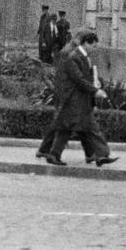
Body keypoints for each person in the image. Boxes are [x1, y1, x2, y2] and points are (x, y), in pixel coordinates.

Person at [40, 30, 116, 167]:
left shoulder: (82, 56)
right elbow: (79, 79)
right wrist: (95, 91)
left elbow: (84, 77)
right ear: (86, 43)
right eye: (93, 46)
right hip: (74, 100)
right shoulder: (74, 57)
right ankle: (99, 155)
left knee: (80, 128)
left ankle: (100, 156)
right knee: (81, 128)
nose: (94, 49)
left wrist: (96, 82)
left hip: (79, 100)